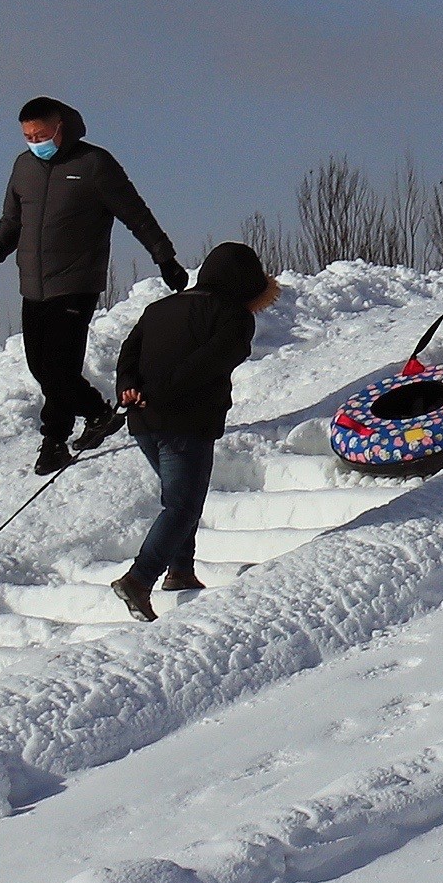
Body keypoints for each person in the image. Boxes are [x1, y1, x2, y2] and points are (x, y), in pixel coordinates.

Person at [0, 97, 184, 474]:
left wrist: (165, 258)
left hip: (75, 282)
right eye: (27, 136)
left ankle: (54, 441)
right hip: (33, 286)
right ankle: (99, 414)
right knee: (42, 367)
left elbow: (137, 214)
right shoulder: (24, 167)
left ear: (61, 127)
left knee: (57, 366)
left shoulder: (94, 164)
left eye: (41, 134)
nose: (35, 141)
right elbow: (11, 223)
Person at [108, 241, 279, 619]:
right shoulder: (234, 316)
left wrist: (129, 386)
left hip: (142, 420)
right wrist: (162, 392)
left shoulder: (159, 308)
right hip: (185, 420)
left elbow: (128, 351)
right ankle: (139, 580)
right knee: (182, 506)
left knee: (179, 498)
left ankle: (181, 571)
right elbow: (210, 362)